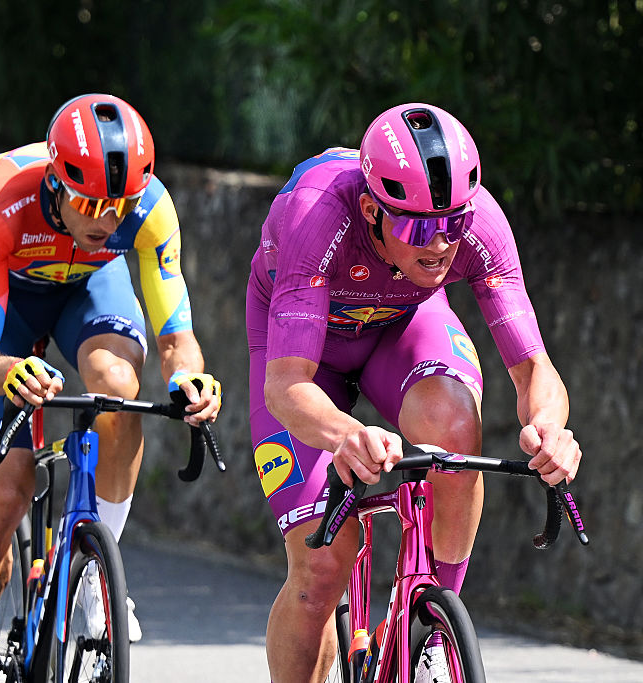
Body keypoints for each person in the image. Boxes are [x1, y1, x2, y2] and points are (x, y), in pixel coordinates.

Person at [246, 103, 583, 682]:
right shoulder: (318, 215)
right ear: (371, 210)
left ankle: (427, 630)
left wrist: (551, 428)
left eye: (454, 224)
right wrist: (348, 434)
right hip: (304, 357)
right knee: (321, 569)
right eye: (420, 228)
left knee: (455, 425)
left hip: (400, 327)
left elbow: (534, 370)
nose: (441, 245)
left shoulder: (479, 224)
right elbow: (286, 386)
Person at [0, 93, 222, 682]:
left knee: (118, 388)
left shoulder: (151, 209)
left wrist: (190, 380)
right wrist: (10, 371)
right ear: (55, 181)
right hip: (9, 304)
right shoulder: (0, 199)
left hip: (89, 287)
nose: (107, 221)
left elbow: (177, 340)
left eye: (120, 207)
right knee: (5, 496)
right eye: (91, 203)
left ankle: (96, 573)